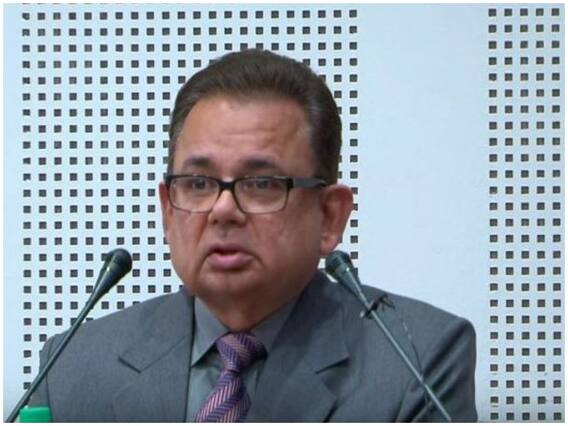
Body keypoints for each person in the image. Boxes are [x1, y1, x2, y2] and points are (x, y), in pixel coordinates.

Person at [30, 49, 477, 421]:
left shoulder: (415, 363)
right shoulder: (72, 369)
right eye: (198, 184)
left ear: (329, 217)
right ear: (168, 209)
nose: (223, 210)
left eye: (261, 184)